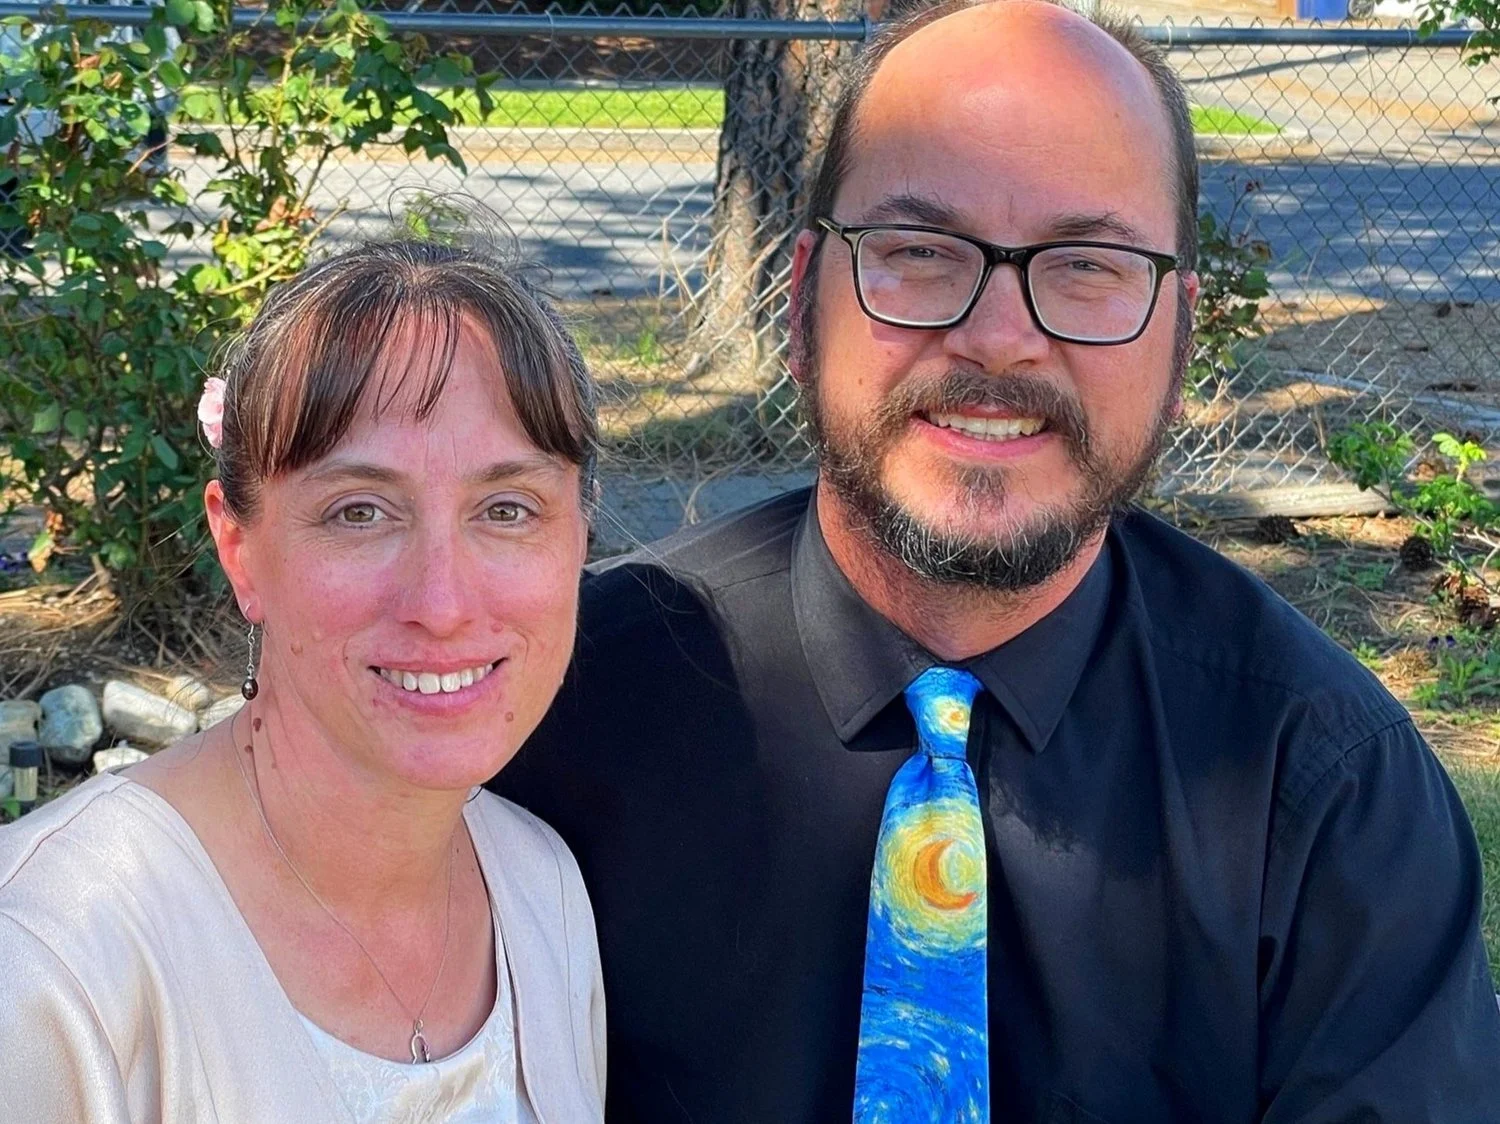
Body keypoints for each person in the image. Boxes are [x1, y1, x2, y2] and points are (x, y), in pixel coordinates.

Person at [495, 2, 1500, 1120]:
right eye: (920, 252)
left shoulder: (1324, 793)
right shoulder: (562, 712)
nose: (1000, 337)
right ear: (800, 301)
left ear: (1181, 335)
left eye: (1087, 265)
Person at [0, 238, 607, 1122]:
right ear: (239, 549)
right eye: (359, 512)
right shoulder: (52, 962)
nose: (441, 604)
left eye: (507, 509)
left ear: (578, 537)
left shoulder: (541, 892)